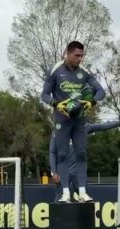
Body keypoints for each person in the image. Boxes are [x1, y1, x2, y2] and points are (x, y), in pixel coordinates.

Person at [40, 40, 106, 203]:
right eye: (77, 55)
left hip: (79, 120)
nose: (80, 59)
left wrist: (91, 102)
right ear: (67, 53)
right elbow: (44, 95)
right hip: (61, 119)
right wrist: (56, 104)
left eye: (82, 56)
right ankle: (65, 194)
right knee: (62, 154)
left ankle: (83, 192)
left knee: (81, 154)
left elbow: (101, 91)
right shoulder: (55, 71)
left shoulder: (84, 72)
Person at [49, 114, 120, 202]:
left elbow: (102, 126)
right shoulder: (57, 130)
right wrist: (54, 172)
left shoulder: (83, 127)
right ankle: (57, 216)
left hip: (77, 172)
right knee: (59, 200)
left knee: (85, 201)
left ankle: (85, 215)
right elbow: (52, 152)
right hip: (62, 173)